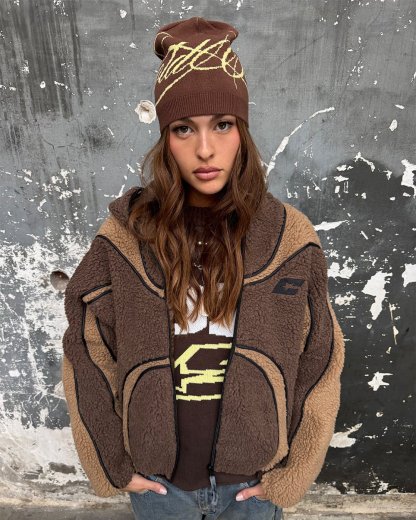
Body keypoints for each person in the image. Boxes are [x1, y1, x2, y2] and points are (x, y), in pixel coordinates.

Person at [61, 16, 345, 520]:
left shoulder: (289, 238)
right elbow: (86, 349)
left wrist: (291, 475)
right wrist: (111, 464)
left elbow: (320, 358)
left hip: (254, 486)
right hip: (159, 487)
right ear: (165, 138)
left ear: (242, 131)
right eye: (184, 129)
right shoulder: (126, 236)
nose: (205, 149)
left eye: (222, 124)